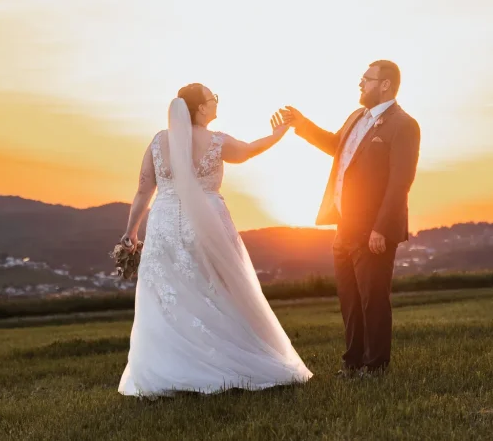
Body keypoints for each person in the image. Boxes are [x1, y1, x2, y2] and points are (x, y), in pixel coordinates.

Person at [118, 83, 313, 396]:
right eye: (213, 98)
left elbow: (144, 186)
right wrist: (277, 135)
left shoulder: (159, 141)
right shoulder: (216, 141)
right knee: (218, 288)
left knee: (166, 295)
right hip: (206, 221)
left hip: (164, 221)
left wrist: (131, 230)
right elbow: (248, 151)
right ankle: (226, 363)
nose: (216, 102)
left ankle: (169, 370)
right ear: (201, 108)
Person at [280, 59, 420, 377]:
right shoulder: (356, 117)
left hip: (374, 230)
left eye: (366, 79)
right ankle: (353, 361)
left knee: (373, 299)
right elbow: (335, 145)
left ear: (385, 84)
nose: (360, 84)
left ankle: (376, 365)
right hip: (344, 226)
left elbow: (401, 182)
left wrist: (381, 228)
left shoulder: (404, 125)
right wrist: (301, 124)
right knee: (350, 301)